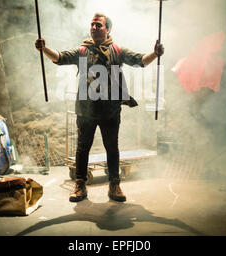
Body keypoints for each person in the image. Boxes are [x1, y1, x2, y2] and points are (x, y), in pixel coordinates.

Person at [35, 13, 164, 202]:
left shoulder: (117, 51)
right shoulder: (82, 51)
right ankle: (80, 185)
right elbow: (60, 58)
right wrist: (44, 48)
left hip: (110, 110)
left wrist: (155, 53)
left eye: (98, 25)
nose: (94, 27)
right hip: (86, 111)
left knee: (112, 148)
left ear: (108, 29)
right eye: (92, 24)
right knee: (82, 148)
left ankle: (114, 185)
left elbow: (140, 61)